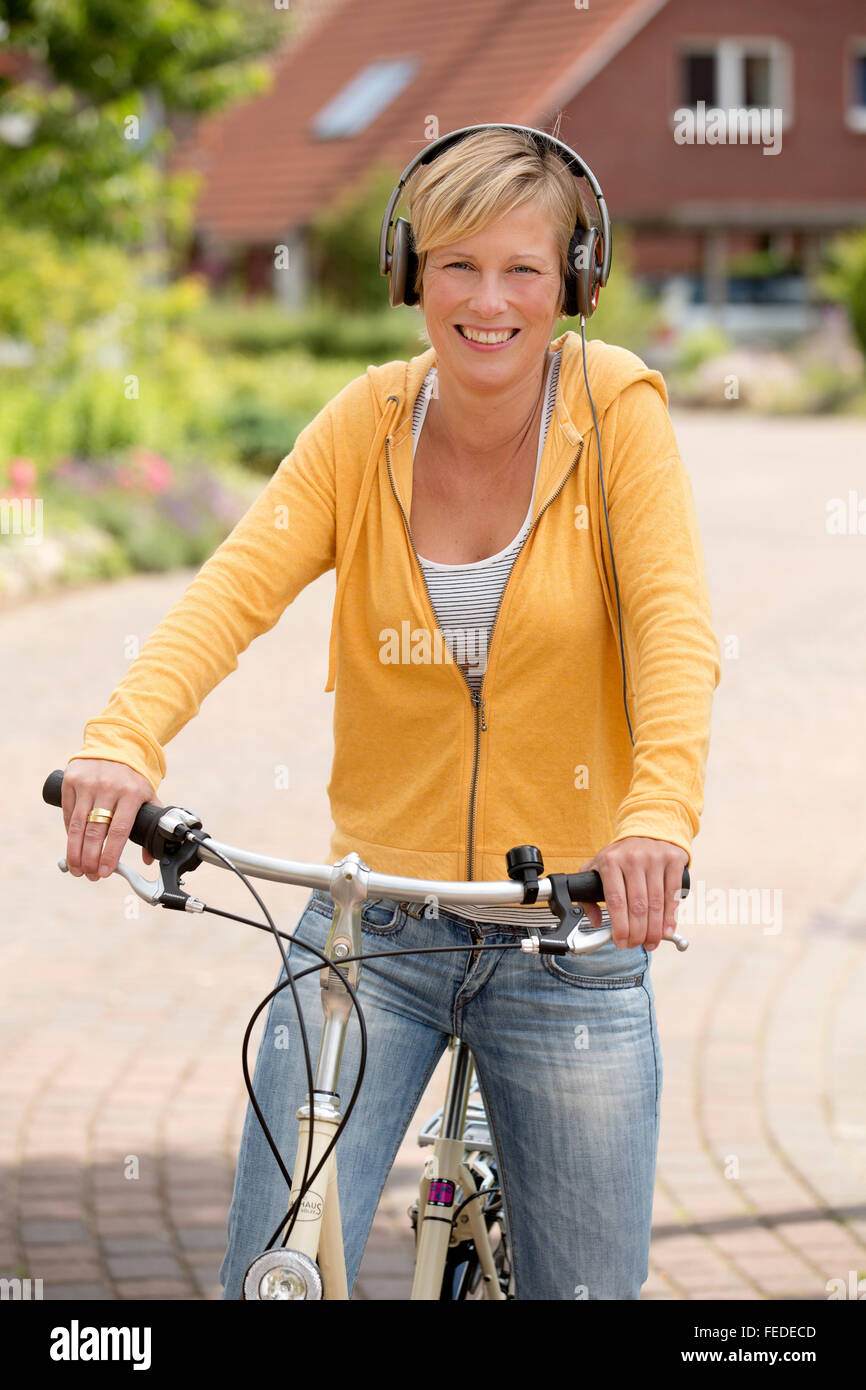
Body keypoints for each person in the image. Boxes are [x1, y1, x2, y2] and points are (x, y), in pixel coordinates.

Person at [62, 126, 721, 1299]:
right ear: (410, 268)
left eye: (523, 269)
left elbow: (673, 632)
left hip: (565, 937)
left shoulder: (615, 411)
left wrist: (655, 817)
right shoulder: (363, 425)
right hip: (375, 930)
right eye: (458, 264)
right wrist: (122, 739)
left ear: (571, 281)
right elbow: (228, 593)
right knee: (272, 1272)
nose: (488, 301)